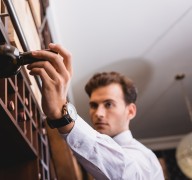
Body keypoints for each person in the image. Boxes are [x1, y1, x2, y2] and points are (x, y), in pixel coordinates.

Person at [26, 43, 165, 179]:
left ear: (131, 111)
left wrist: (63, 116)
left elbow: (128, 174)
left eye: (109, 104)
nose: (98, 113)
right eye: (93, 105)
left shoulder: (145, 159)